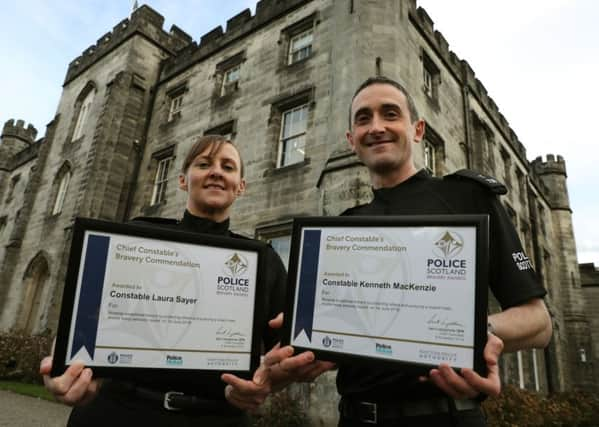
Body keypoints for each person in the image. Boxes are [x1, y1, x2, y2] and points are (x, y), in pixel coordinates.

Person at [323, 75, 552, 426]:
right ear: (352, 140)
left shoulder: (468, 197)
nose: (377, 127)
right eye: (364, 118)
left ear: (417, 130)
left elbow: (539, 323)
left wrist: (468, 332)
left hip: (446, 416)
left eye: (390, 114)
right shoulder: (347, 227)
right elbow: (346, 336)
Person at [40, 135, 290, 427]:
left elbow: (281, 353)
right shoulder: (131, 237)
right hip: (118, 412)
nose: (216, 172)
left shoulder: (265, 261)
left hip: (218, 418)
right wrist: (64, 363)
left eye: (228, 166)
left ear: (241, 186)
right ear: (183, 180)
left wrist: (266, 381)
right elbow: (81, 321)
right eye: (204, 164)